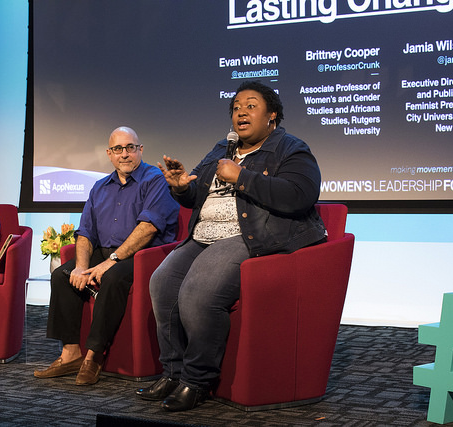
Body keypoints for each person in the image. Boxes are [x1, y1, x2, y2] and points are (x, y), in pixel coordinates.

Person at [135, 81, 326, 411]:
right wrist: (181, 187)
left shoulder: (291, 149)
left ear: (273, 116)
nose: (241, 112)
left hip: (252, 236)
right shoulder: (222, 149)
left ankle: (197, 380)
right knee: (162, 283)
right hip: (203, 234)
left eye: (251, 106)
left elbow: (300, 195)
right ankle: (173, 371)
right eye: (236, 107)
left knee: (199, 291)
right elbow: (195, 193)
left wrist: (242, 177)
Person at [34, 126, 180, 386]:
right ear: (109, 154)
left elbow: (148, 228)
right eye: (118, 149)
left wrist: (110, 262)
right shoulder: (99, 187)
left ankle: (94, 356)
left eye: (130, 148)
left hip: (143, 256)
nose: (124, 154)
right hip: (105, 252)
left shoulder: (154, 179)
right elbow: (85, 232)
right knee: (61, 275)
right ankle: (70, 354)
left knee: (112, 278)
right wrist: (80, 267)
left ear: (140, 150)